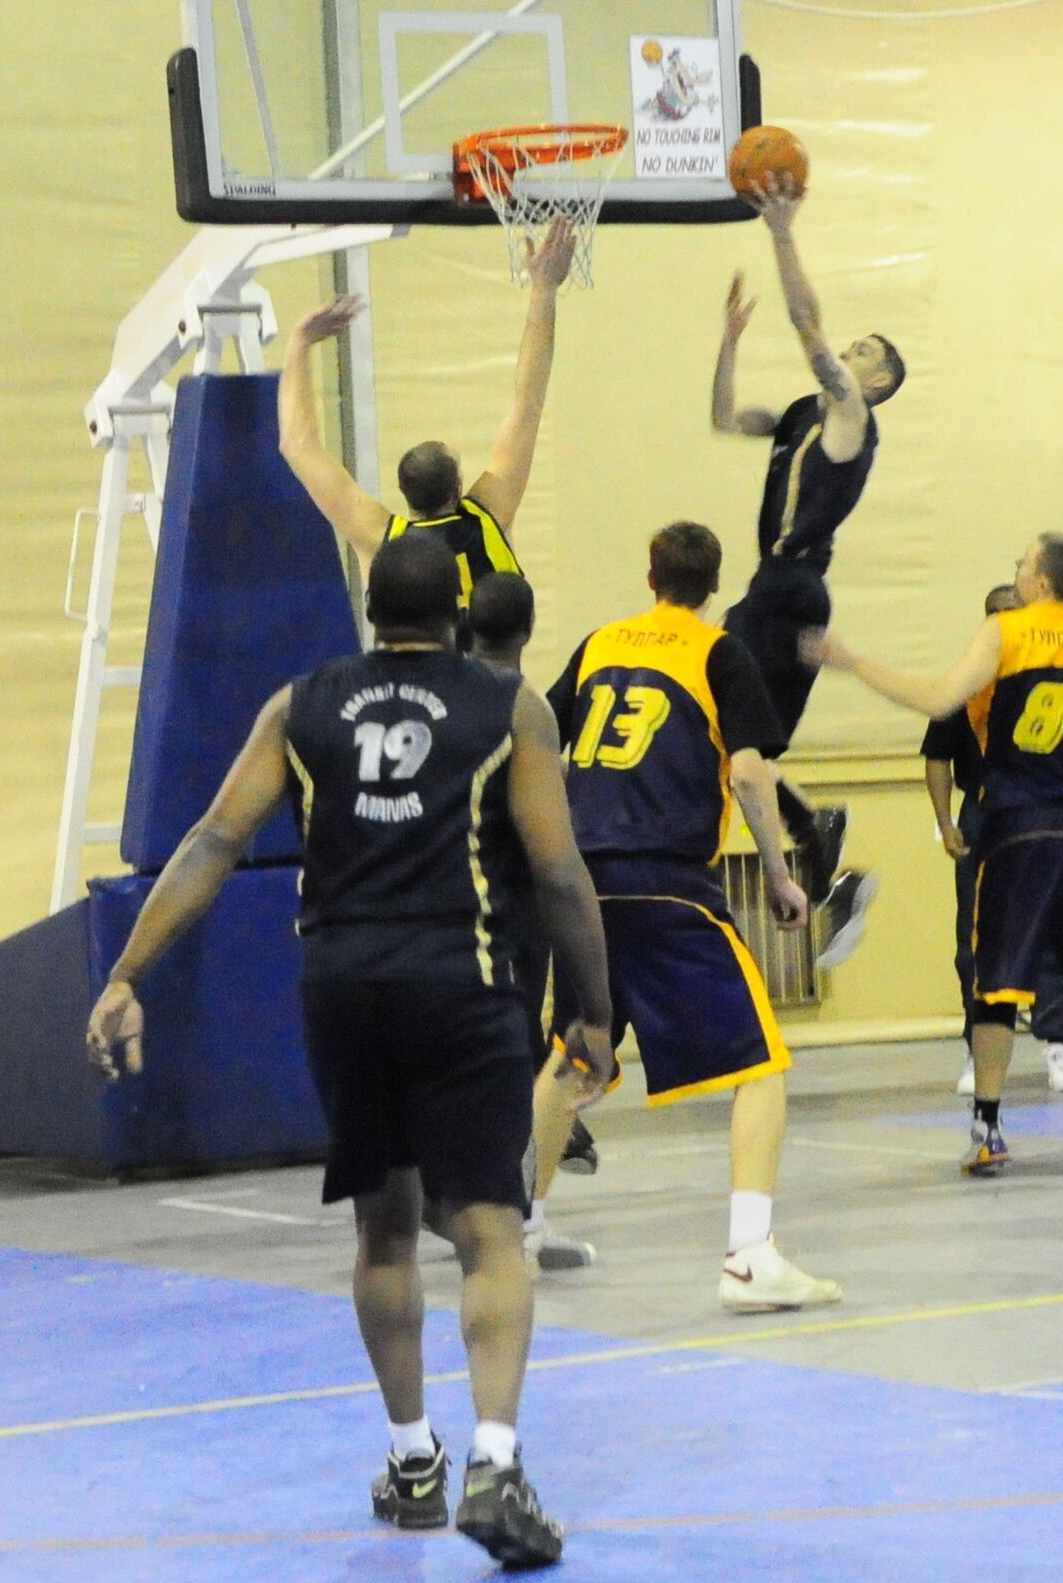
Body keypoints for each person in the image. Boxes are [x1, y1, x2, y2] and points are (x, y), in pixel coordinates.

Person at [85, 533, 615, 1568]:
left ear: (369, 611)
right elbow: (555, 868)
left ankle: (411, 1460)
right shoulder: (509, 706)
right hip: (459, 986)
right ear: (458, 614)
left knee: (384, 1228)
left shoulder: (299, 703)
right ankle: (494, 1461)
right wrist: (594, 1005)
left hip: (342, 988)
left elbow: (208, 840)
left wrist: (126, 972)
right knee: (488, 1230)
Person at [546, 520, 842, 1310]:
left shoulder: (601, 643)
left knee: (574, 1057)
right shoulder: (719, 653)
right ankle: (750, 1257)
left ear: (649, 578)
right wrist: (780, 871)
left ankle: (517, 1231)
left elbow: (540, 741)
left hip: (580, 884)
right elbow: (748, 772)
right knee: (762, 1066)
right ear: (714, 588)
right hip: (666, 883)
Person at [810, 534, 1063, 1175]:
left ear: (1038, 580)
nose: (1017, 571)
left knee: (997, 985)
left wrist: (853, 662)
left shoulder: (1005, 632)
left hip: (1020, 826)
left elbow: (938, 700)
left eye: (1023, 563)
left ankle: (988, 1130)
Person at [711, 175, 906, 960]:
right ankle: (817, 843)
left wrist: (782, 233)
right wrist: (728, 337)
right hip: (774, 587)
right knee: (739, 750)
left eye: (863, 353)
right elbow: (725, 417)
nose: (846, 353)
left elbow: (805, 321)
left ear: (877, 382)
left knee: (736, 742)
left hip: (790, 589)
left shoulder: (851, 415)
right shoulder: (802, 413)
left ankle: (809, 842)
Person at [278, 221, 577, 625]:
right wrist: (544, 290)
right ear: (458, 486)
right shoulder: (489, 514)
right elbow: (528, 402)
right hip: (488, 686)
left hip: (410, 688)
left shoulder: (381, 537)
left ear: (404, 491)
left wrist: (298, 345)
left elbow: (297, 445)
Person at [465, 573, 600, 1272]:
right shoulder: (522, 710)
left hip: (436, 916)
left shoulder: (439, 703)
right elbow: (551, 851)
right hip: (508, 915)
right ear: (528, 628)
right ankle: (512, 1224)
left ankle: (470, 1212)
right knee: (514, 1071)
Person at [922, 583, 1063, 1096]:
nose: (1003, 623)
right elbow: (937, 758)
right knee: (975, 938)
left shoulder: (1059, 676)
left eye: (1013, 614)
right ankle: (980, 1048)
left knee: (1050, 929)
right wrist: (946, 821)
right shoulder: (964, 682)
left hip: (1044, 812)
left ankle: (1058, 1043)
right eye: (994, 615)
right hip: (985, 813)